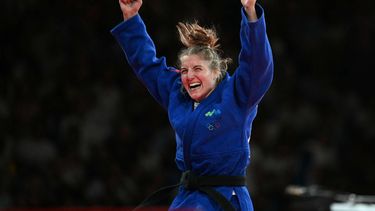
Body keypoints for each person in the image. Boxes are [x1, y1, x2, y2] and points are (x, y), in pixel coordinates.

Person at [111, 0, 273, 210]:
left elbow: (257, 63)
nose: (189, 76)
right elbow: (147, 64)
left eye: (198, 69)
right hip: (189, 197)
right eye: (185, 70)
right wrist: (131, 18)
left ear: (216, 72)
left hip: (225, 199)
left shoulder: (236, 95)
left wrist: (250, 12)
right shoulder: (178, 94)